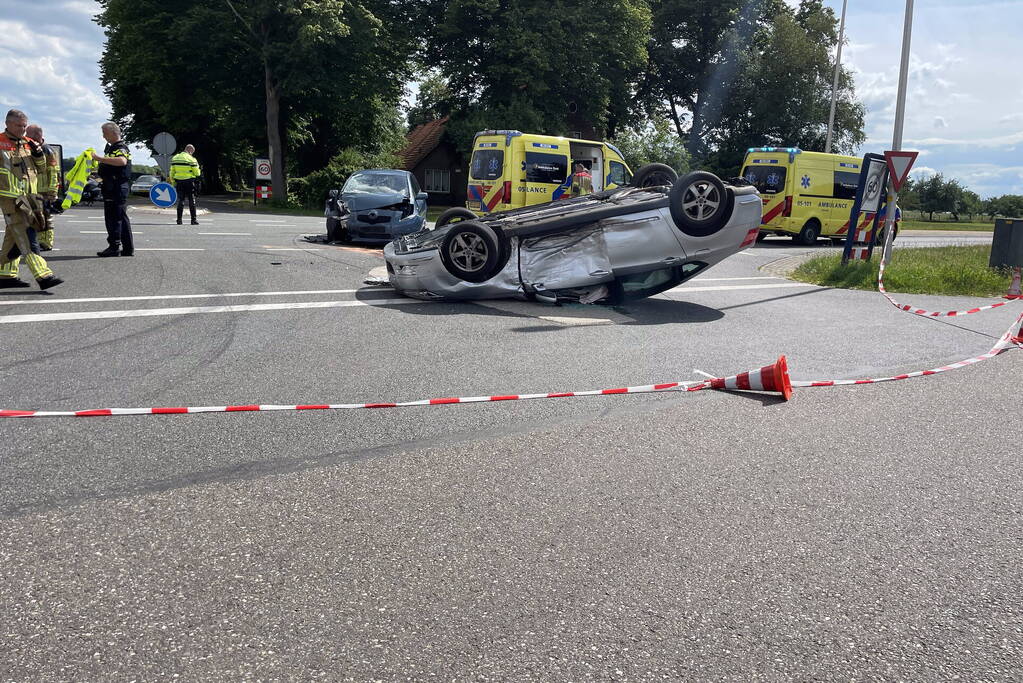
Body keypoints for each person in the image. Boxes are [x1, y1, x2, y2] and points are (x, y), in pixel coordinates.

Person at [0, 109, 63, 289]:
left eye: (24, 125)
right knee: (28, 235)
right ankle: (43, 276)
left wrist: (37, 155)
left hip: (31, 198)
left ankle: (5, 275)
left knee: (14, 237)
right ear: (8, 124)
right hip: (10, 198)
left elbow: (42, 169)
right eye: (18, 125)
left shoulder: (29, 144)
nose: (22, 129)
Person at [93, 122, 133, 257]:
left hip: (115, 187)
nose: (103, 136)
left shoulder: (120, 147)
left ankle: (114, 247)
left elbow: (122, 161)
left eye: (104, 133)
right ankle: (127, 248)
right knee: (121, 218)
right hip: (115, 186)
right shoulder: (113, 148)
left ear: (112, 132)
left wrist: (99, 158)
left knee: (113, 218)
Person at [25, 123, 59, 250]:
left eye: (27, 134)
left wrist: (52, 191)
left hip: (44, 190)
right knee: (35, 216)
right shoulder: (31, 148)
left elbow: (53, 172)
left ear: (37, 135)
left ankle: (46, 242)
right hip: (33, 189)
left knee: (46, 215)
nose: (25, 136)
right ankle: (38, 241)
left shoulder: (47, 150)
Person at [169, 143, 201, 225]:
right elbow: (197, 173)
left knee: (181, 200)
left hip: (179, 181)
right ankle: (193, 220)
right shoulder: (191, 159)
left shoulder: (175, 158)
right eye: (192, 152)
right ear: (190, 150)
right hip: (189, 181)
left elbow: (172, 172)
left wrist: (173, 182)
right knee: (191, 199)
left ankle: (179, 220)